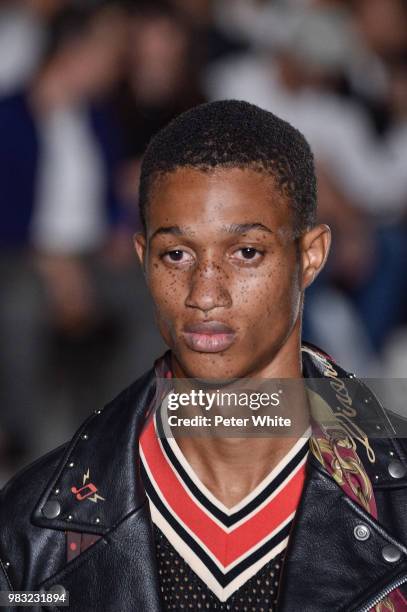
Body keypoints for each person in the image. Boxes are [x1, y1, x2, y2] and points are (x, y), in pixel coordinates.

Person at [1, 100, 407, 611]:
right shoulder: (32, 527)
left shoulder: (393, 502)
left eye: (246, 253)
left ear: (310, 256)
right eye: (177, 254)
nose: (205, 292)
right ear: (143, 260)